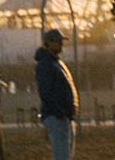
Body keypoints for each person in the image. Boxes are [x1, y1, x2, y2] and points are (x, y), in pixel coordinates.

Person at [35, 29, 78, 160]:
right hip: (56, 116)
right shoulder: (46, 64)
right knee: (61, 154)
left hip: (62, 115)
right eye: (58, 41)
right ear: (48, 43)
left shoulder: (55, 62)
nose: (61, 44)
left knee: (65, 153)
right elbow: (45, 91)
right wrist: (59, 112)